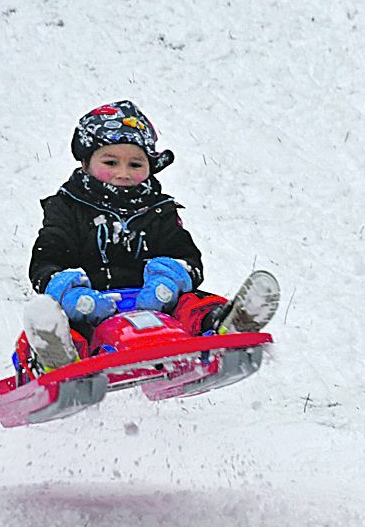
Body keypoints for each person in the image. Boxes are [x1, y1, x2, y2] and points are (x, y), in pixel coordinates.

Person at [20, 101, 275, 372]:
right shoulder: (67, 208)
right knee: (61, 322)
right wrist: (69, 292)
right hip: (91, 305)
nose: (123, 173)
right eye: (110, 162)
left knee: (192, 304)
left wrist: (168, 280)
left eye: (135, 164)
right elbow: (47, 258)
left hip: (156, 302)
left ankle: (225, 326)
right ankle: (58, 358)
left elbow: (188, 259)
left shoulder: (159, 210)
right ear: (86, 163)